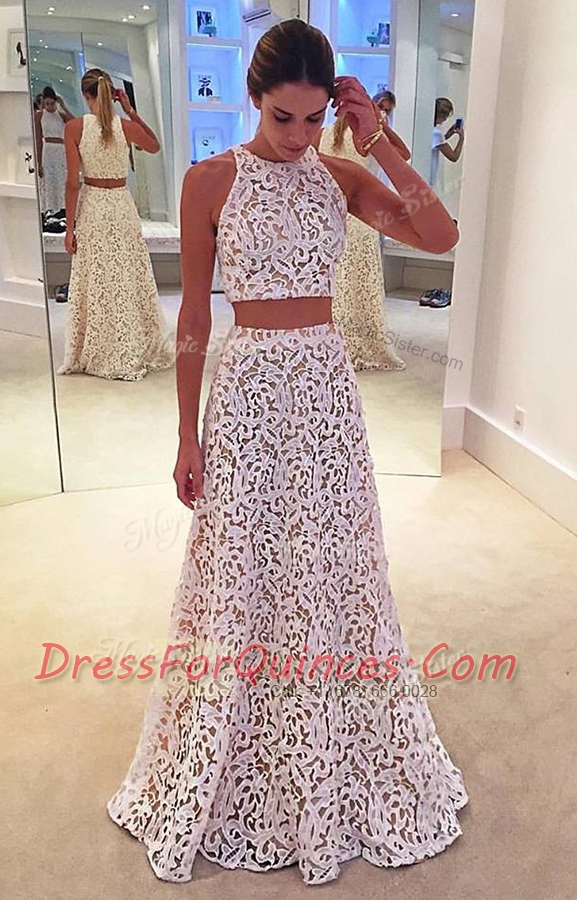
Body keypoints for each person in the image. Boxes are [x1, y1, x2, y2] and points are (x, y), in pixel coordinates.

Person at [106, 21, 468, 884]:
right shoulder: (209, 181)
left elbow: (440, 235)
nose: (299, 137)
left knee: (330, 561)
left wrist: (379, 141)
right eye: (282, 118)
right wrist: (186, 431)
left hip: (325, 393)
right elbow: (195, 318)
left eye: (312, 119)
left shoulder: (340, 177)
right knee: (243, 563)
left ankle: (325, 732)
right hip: (247, 391)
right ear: (253, 98)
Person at [58, 68, 174, 381]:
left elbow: (72, 183)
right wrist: (131, 111)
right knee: (127, 273)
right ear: (112, 94)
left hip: (94, 205)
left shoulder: (74, 128)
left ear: (86, 95)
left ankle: (99, 347)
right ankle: (131, 342)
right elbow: (154, 145)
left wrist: (69, 228)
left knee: (96, 276)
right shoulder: (125, 126)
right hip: (121, 204)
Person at [316, 88, 409, 370]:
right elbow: (403, 155)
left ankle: (334, 341)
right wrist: (382, 127)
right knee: (353, 281)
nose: (383, 112)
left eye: (387, 110)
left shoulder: (325, 134)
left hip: (333, 217)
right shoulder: (369, 139)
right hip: (359, 218)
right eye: (380, 107)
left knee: (341, 281)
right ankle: (350, 340)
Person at [422, 98, 465, 309]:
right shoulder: (436, 134)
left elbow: (437, 141)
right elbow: (454, 156)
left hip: (423, 182)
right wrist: (461, 138)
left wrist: (448, 135)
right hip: (430, 184)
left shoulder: (427, 131)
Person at [34, 85, 74, 217]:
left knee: (63, 180)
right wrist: (39, 162)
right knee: (50, 180)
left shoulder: (61, 115)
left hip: (61, 150)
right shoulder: (39, 115)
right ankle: (50, 210)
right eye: (47, 104)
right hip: (48, 151)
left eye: (52, 103)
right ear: (43, 103)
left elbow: (75, 123)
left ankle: (64, 209)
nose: (50, 106)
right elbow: (38, 140)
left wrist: (63, 106)